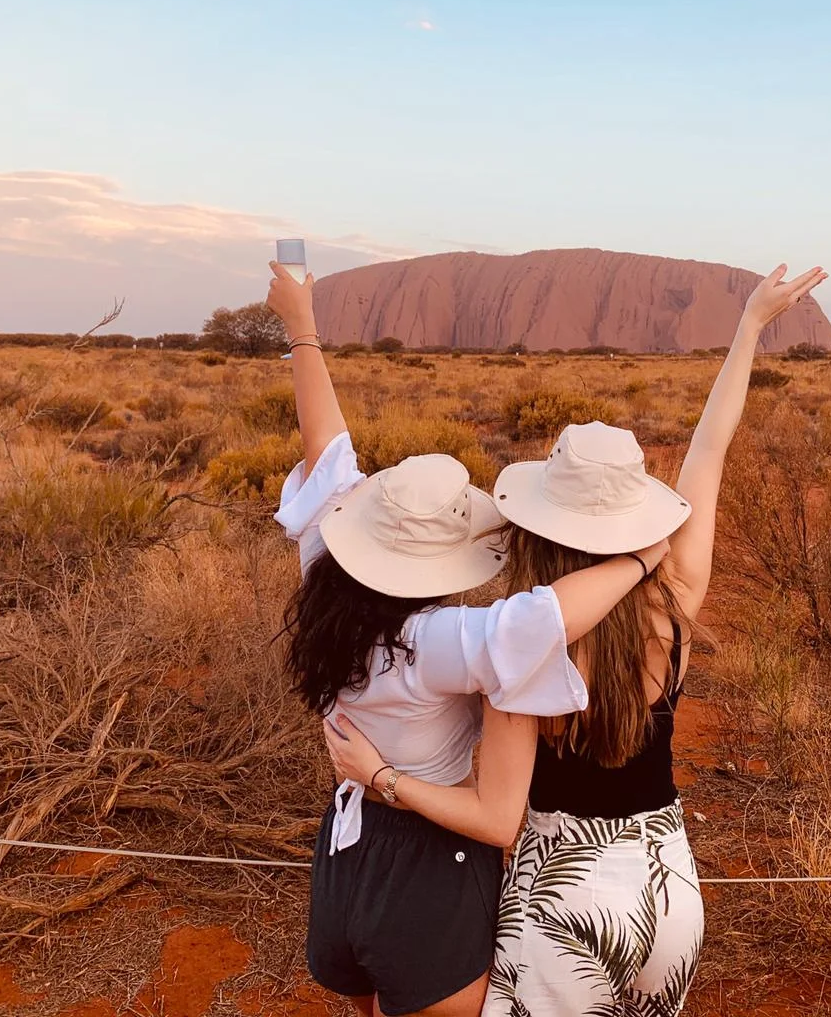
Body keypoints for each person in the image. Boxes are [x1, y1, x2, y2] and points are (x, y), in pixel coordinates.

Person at [326, 264, 828, 1017]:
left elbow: (494, 814)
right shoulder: (676, 598)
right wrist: (749, 326)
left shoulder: (525, 652)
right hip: (667, 890)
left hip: (564, 905)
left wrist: (383, 779)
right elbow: (709, 453)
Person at [265, 262, 672, 1017]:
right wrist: (639, 555)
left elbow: (325, 449)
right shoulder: (437, 642)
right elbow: (541, 620)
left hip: (345, 854)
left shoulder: (323, 574)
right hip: (429, 862)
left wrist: (302, 329)